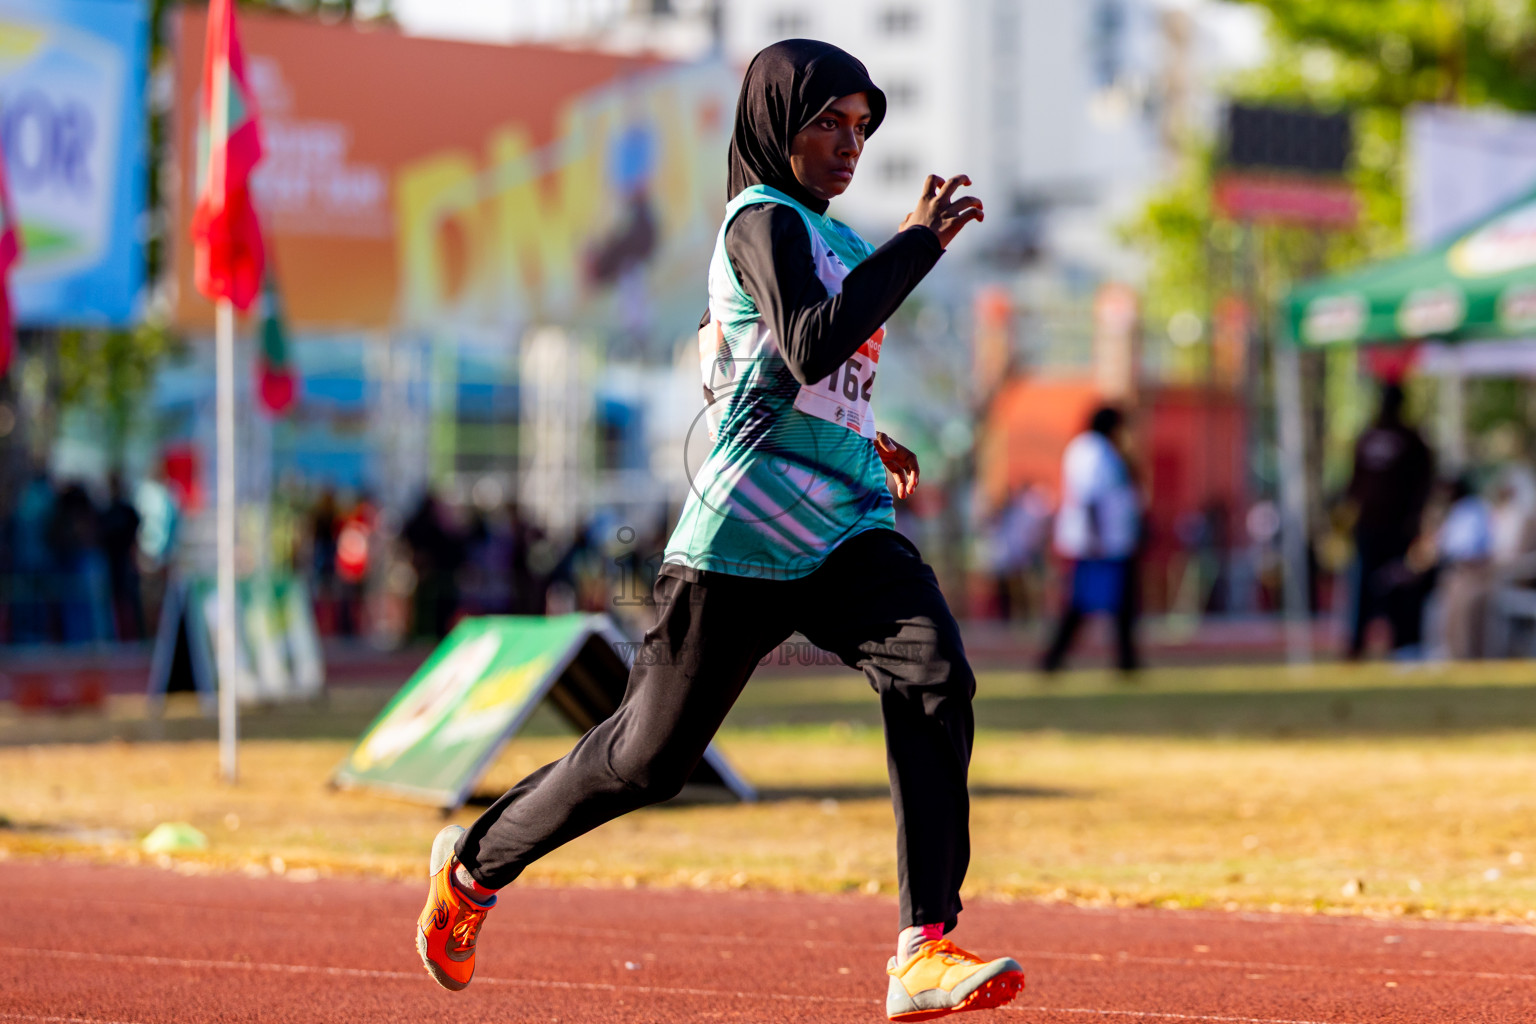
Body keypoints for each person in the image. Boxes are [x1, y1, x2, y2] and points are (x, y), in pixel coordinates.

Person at [414, 39, 1025, 1022]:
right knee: (647, 760)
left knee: (933, 674)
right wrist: (919, 244)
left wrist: (875, 430)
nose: (849, 143)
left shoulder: (833, 241)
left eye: (862, 126)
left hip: (843, 528)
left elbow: (771, 373)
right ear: (773, 123)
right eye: (827, 121)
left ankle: (925, 945)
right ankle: (475, 863)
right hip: (740, 540)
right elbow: (811, 337)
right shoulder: (759, 222)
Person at [1039, 405, 1143, 674]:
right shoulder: (1091, 450)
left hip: (1107, 541)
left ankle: (1125, 660)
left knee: (1112, 604)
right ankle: (1054, 659)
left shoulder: (1099, 449)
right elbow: (1090, 496)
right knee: (1084, 604)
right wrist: (1095, 537)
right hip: (1098, 544)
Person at [1344, 383, 1434, 659]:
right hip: (1372, 526)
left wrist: (1415, 519)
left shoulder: (1408, 439)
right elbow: (1355, 482)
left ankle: (1401, 643)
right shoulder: (1369, 437)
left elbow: (1424, 481)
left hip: (1396, 527)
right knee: (1365, 585)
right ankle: (1359, 644)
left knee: (1396, 584)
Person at [1434, 475, 1493, 660]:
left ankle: (1465, 659)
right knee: (1449, 621)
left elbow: (1468, 547)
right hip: (1458, 572)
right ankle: (1454, 658)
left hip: (1471, 573)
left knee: (1464, 621)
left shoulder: (1470, 509)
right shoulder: (1459, 510)